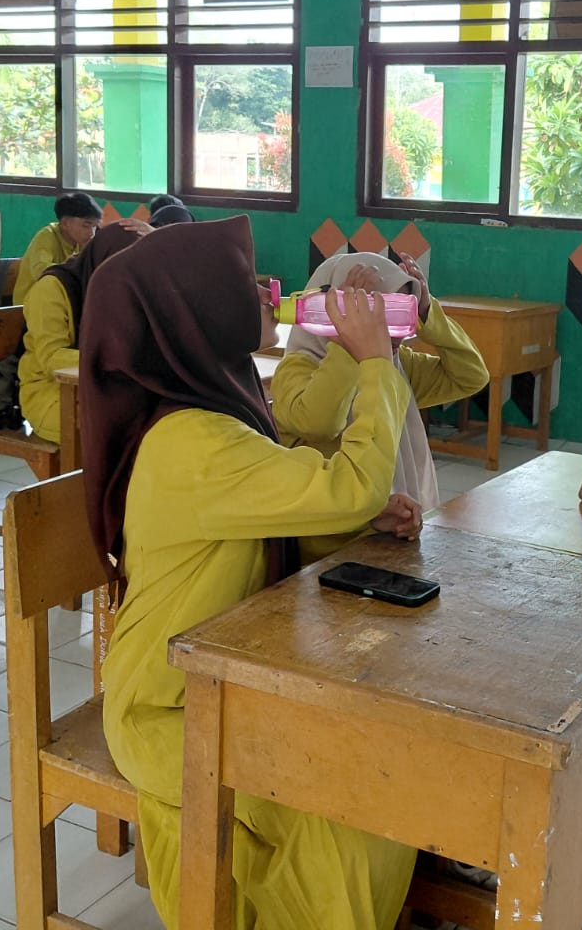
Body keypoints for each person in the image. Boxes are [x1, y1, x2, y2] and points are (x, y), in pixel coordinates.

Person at [89, 217, 420, 930]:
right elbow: (351, 482)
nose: (272, 297)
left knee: (367, 782)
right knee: (354, 803)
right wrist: (374, 364)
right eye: (254, 285)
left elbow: (267, 516)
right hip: (166, 711)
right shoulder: (191, 439)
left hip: (218, 680)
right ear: (198, 310)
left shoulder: (209, 411)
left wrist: (360, 520)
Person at [271, 251, 488, 563]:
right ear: (330, 311)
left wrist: (429, 314)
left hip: (387, 530)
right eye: (374, 317)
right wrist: (349, 344)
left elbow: (470, 377)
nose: (392, 334)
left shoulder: (398, 365)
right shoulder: (297, 368)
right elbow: (320, 423)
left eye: (399, 316)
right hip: (324, 548)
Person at [17, 221, 145, 443]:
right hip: (51, 393)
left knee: (167, 418)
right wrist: (116, 360)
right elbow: (52, 358)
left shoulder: (126, 293)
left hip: (108, 389)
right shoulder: (51, 290)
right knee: (123, 425)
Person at [11, 192, 147, 303]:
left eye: (95, 226)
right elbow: (42, 272)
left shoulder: (81, 242)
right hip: (31, 307)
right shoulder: (47, 236)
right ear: (65, 223)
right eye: (86, 225)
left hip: (62, 301)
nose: (92, 233)